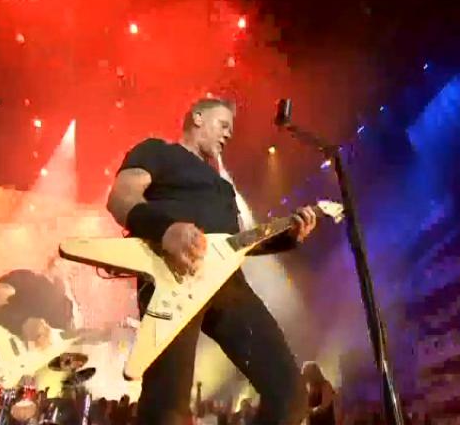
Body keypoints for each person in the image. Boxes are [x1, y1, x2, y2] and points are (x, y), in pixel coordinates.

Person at [106, 98, 318, 424]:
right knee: (167, 410)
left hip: (228, 285)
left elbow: (236, 245)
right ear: (197, 118)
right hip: (171, 275)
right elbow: (121, 198)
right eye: (223, 125)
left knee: (291, 397)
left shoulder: (223, 186)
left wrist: (288, 236)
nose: (229, 134)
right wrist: (166, 230)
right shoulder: (156, 150)